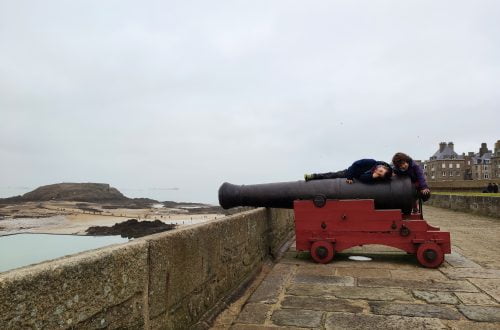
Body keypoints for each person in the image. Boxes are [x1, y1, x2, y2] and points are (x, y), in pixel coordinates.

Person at [304, 159, 393, 184]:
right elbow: (355, 164)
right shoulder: (372, 162)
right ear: (384, 167)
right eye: (381, 170)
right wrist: (350, 177)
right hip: (350, 172)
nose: (378, 171)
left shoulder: (373, 175)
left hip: (357, 176)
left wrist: (373, 176)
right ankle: (314, 176)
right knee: (331, 175)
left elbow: (362, 178)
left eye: (380, 173)